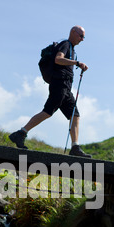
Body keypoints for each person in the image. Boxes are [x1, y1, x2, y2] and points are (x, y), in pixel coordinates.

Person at [9, 25, 91, 158]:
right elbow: (58, 59)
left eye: (84, 37)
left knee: (75, 115)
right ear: (73, 33)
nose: (82, 39)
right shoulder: (65, 44)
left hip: (66, 88)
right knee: (48, 111)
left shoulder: (71, 48)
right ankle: (20, 133)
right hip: (59, 84)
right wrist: (77, 63)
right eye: (81, 36)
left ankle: (75, 147)